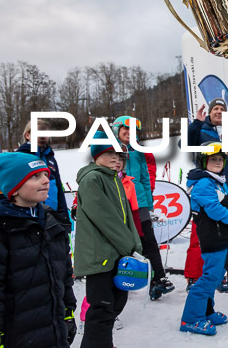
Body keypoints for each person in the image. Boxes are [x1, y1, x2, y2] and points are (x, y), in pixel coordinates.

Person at [0, 152, 77, 348]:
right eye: (35, 176)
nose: (46, 181)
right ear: (15, 188)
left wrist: (68, 312)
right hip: (18, 337)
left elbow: (64, 274)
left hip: (55, 332)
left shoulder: (52, 222)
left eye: (45, 175)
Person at [75, 131, 142, 348]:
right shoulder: (93, 179)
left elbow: (127, 219)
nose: (117, 159)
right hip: (100, 257)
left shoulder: (114, 180)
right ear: (97, 156)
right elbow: (106, 220)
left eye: (120, 156)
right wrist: (129, 247)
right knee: (102, 309)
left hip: (116, 254)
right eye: (110, 154)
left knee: (116, 303)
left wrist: (136, 245)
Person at [112, 116, 174, 300]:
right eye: (126, 129)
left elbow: (145, 179)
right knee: (121, 244)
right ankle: (119, 283)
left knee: (149, 241)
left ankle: (159, 279)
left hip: (140, 203)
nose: (130, 134)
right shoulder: (109, 150)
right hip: (119, 203)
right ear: (116, 130)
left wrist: (148, 203)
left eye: (133, 131)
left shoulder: (138, 151)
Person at [180, 141, 228, 336]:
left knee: (216, 276)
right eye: (213, 159)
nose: (218, 162)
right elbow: (214, 209)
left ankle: (207, 311)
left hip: (222, 235)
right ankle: (191, 318)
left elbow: (227, 206)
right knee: (209, 278)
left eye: (220, 159)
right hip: (212, 237)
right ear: (203, 162)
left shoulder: (217, 181)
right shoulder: (203, 183)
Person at [17, 119, 68, 216]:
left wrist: (64, 216)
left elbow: (59, 190)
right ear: (27, 135)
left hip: (53, 215)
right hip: (30, 216)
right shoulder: (20, 157)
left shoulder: (50, 158)